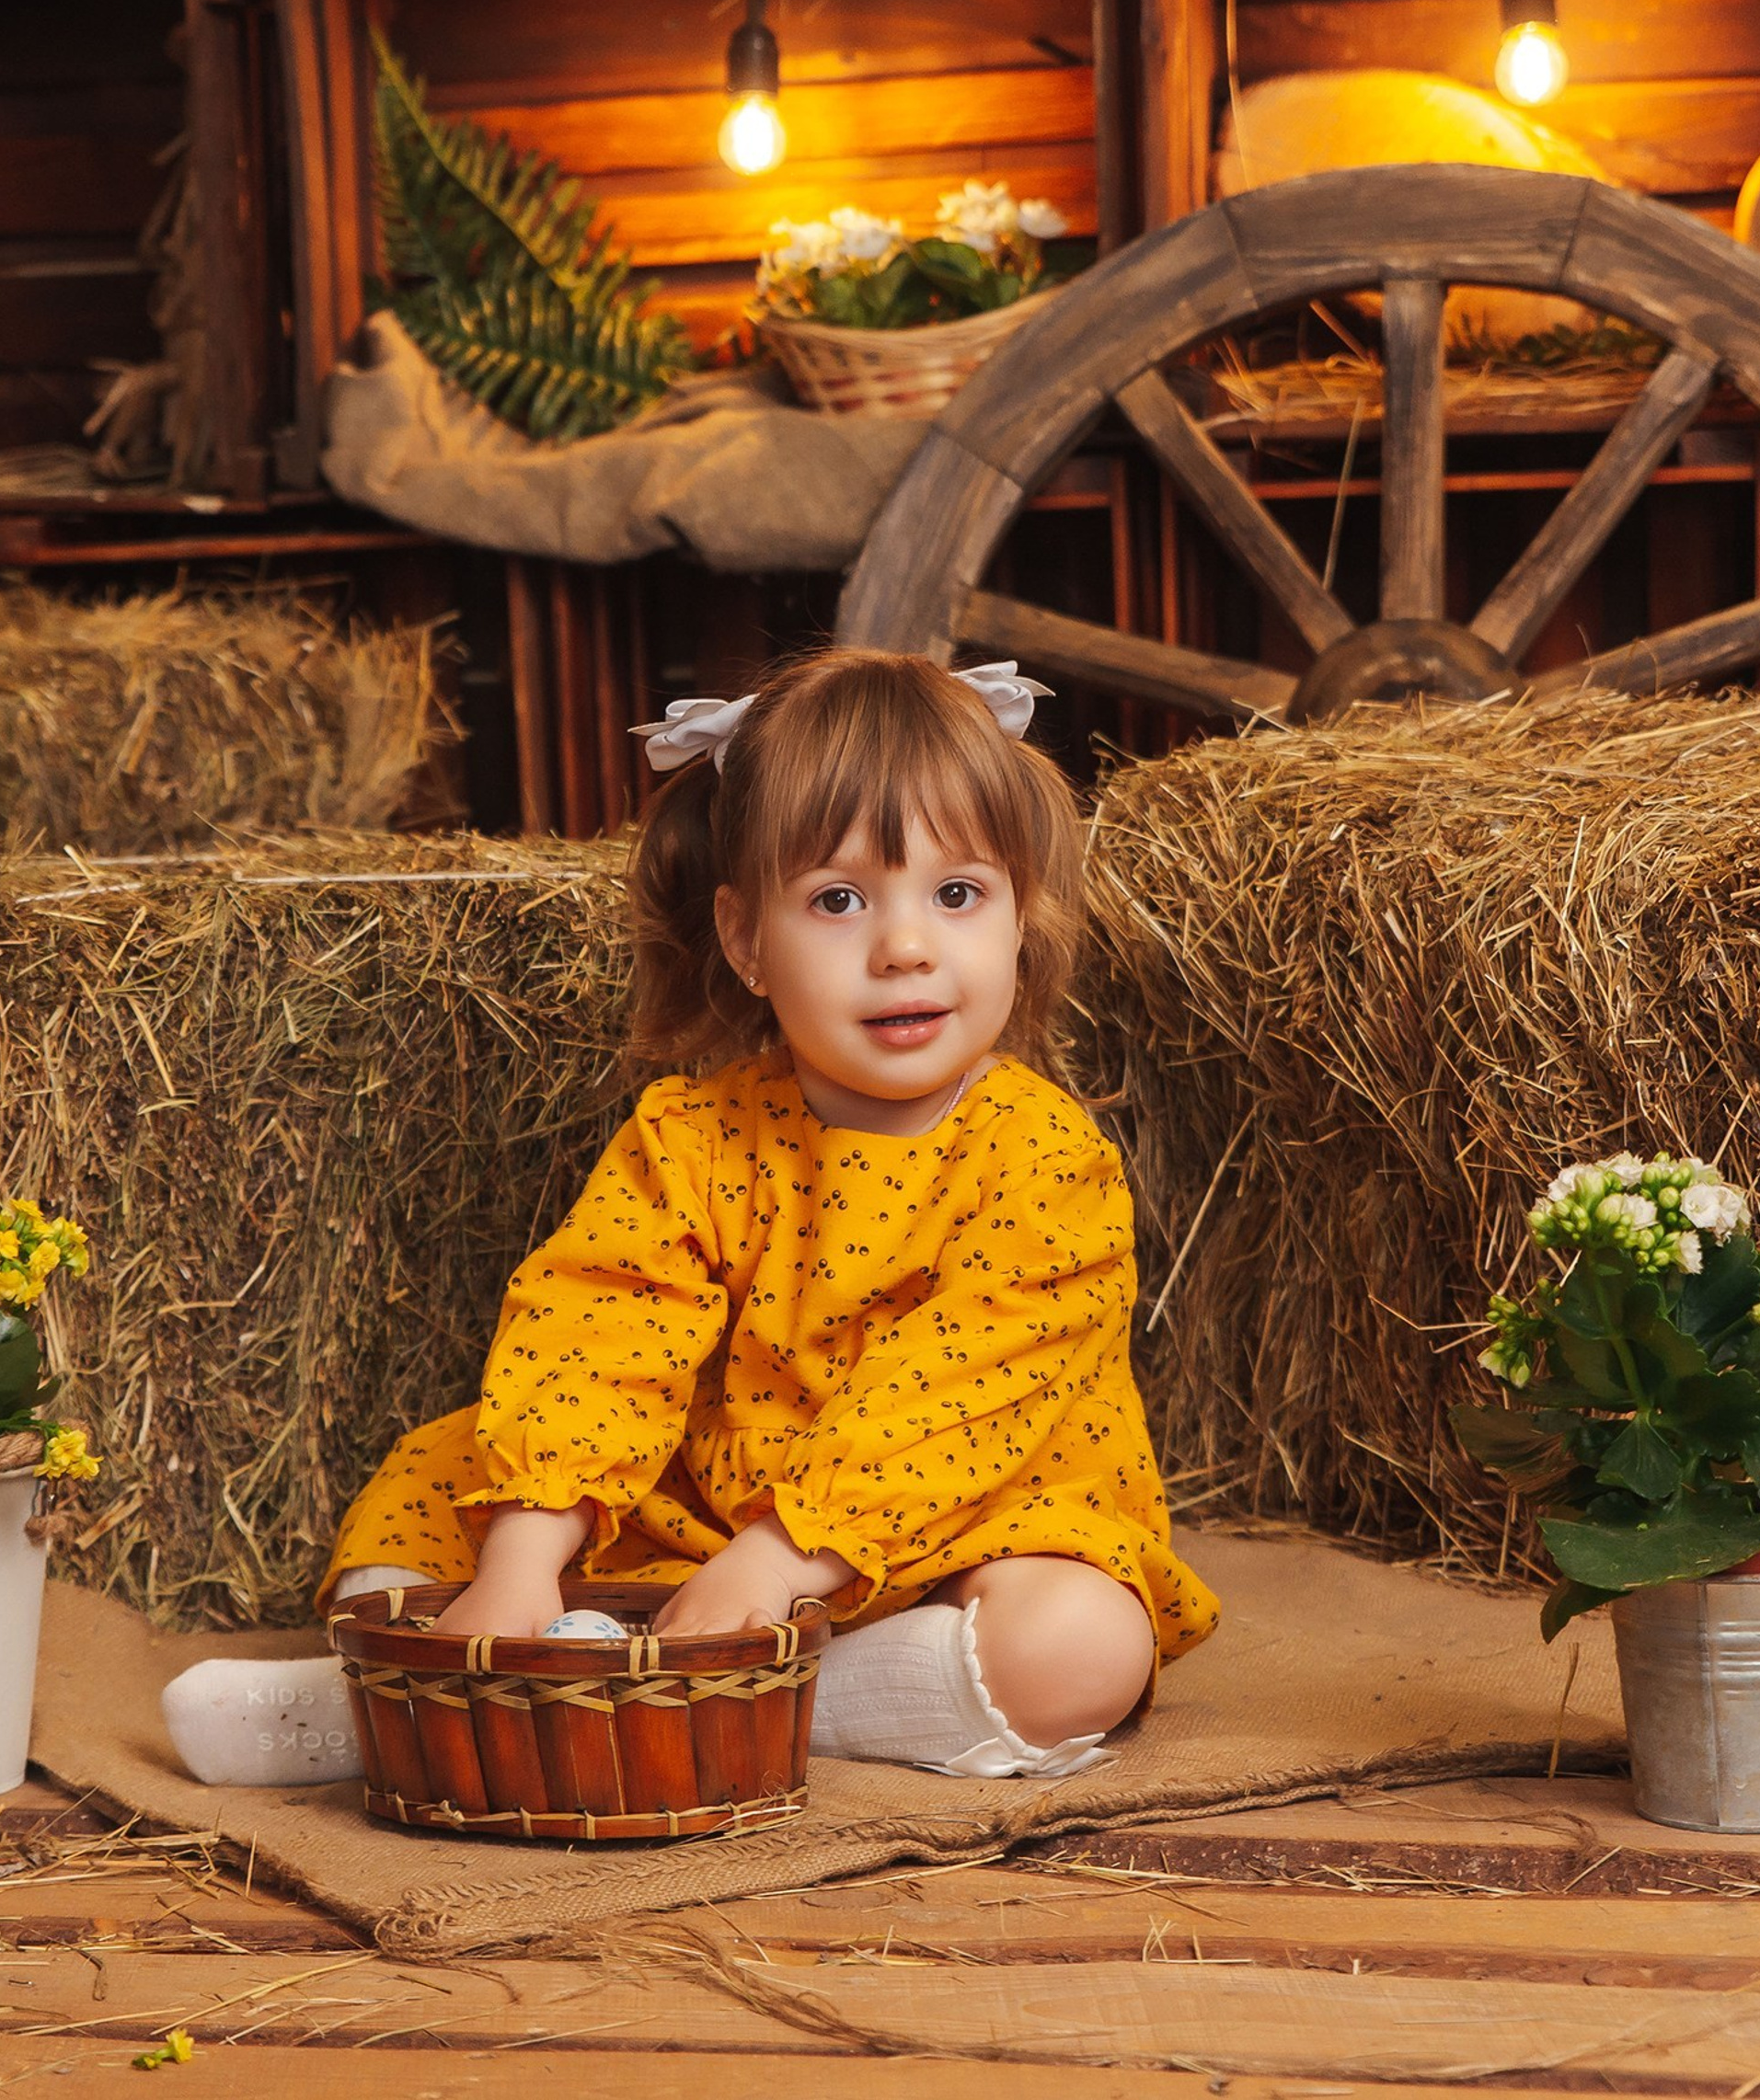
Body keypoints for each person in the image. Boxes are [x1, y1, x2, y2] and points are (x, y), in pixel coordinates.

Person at [163, 649, 1216, 1786]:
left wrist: (775, 1571)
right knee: (447, 1471)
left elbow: (950, 1412)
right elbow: (597, 1334)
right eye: (838, 900)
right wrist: (523, 1562)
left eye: (956, 894)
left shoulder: (1046, 1158)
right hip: (705, 1523)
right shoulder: (692, 1137)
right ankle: (447, 1664)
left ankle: (677, 1699)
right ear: (747, 940)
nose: (905, 945)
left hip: (961, 1523)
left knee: (1081, 1642)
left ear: (1021, 920)